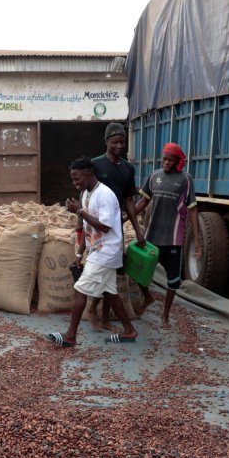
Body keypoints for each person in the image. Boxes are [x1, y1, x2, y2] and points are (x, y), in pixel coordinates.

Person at [47, 156, 138, 347]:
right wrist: (80, 254)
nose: (75, 183)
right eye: (73, 179)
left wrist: (79, 211)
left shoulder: (105, 195)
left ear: (89, 174)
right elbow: (88, 230)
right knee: (110, 292)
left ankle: (70, 336)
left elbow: (104, 227)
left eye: (77, 178)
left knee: (80, 289)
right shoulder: (86, 194)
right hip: (97, 250)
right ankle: (129, 331)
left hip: (107, 251)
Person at [80, 123, 145, 329]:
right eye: (114, 141)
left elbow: (129, 201)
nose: (119, 145)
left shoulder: (128, 168)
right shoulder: (96, 164)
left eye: (122, 142)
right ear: (106, 142)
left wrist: (136, 230)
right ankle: (90, 310)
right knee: (101, 268)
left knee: (112, 271)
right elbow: (84, 194)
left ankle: (106, 318)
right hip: (97, 225)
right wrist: (80, 228)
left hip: (115, 227)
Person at [131, 142, 201, 327]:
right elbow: (142, 203)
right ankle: (147, 298)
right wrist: (124, 218)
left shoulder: (186, 179)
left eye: (170, 160)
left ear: (178, 161)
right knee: (137, 270)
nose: (166, 163)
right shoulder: (154, 176)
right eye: (164, 159)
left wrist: (198, 240)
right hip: (152, 237)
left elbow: (192, 210)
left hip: (173, 239)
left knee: (173, 281)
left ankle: (165, 316)